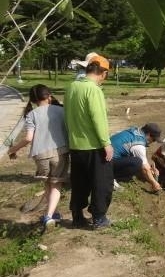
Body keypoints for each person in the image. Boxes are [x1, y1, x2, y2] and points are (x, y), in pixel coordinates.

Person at [7, 84, 69, 232]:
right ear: (49, 96)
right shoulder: (61, 110)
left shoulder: (31, 114)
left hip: (40, 155)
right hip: (60, 152)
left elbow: (28, 138)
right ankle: (49, 216)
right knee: (56, 185)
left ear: (33, 100)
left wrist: (13, 149)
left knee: (48, 183)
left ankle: (53, 213)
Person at [64, 54, 113, 229]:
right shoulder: (93, 90)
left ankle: (77, 216)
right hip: (94, 145)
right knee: (102, 183)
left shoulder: (72, 87)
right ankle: (99, 218)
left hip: (75, 145)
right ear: (103, 72)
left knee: (79, 183)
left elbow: (66, 115)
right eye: (106, 75)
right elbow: (98, 119)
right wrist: (106, 143)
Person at [110, 123, 163, 191]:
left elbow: (142, 157)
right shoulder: (139, 146)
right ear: (149, 135)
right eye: (154, 140)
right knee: (137, 163)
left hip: (104, 155)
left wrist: (150, 167)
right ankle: (110, 179)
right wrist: (154, 182)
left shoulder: (135, 131)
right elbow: (145, 168)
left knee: (137, 160)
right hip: (107, 162)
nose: (153, 142)